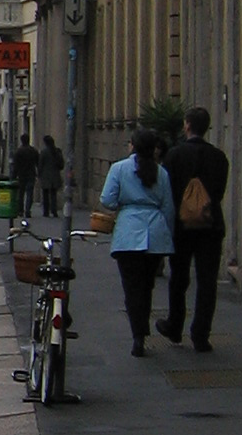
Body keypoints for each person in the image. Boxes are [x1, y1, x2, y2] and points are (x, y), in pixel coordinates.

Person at [97, 127, 176, 356]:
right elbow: (169, 208)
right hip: (155, 234)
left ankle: (138, 335)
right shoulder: (161, 173)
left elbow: (107, 200)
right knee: (147, 286)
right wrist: (167, 235)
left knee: (131, 288)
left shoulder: (119, 169)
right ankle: (143, 328)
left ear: (132, 145)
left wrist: (125, 205)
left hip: (128, 234)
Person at [158, 107, 230, 352]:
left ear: (187, 125)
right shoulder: (219, 157)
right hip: (210, 226)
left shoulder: (174, 156)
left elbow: (166, 193)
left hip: (181, 226)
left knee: (178, 278)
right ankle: (201, 334)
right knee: (207, 281)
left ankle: (174, 326)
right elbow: (219, 193)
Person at [10, 132, 39, 224]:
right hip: (31, 174)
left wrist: (13, 176)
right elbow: (37, 162)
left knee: (21, 193)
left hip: (21, 175)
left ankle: (20, 210)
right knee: (29, 193)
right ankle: (27, 211)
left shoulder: (18, 151)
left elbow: (15, 165)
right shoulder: (33, 150)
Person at [38, 136, 64, 218]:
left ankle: (46, 211)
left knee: (45, 194)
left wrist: (39, 174)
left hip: (45, 176)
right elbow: (61, 165)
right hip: (55, 175)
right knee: (53, 194)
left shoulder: (44, 152)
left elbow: (40, 164)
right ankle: (54, 210)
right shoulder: (57, 151)